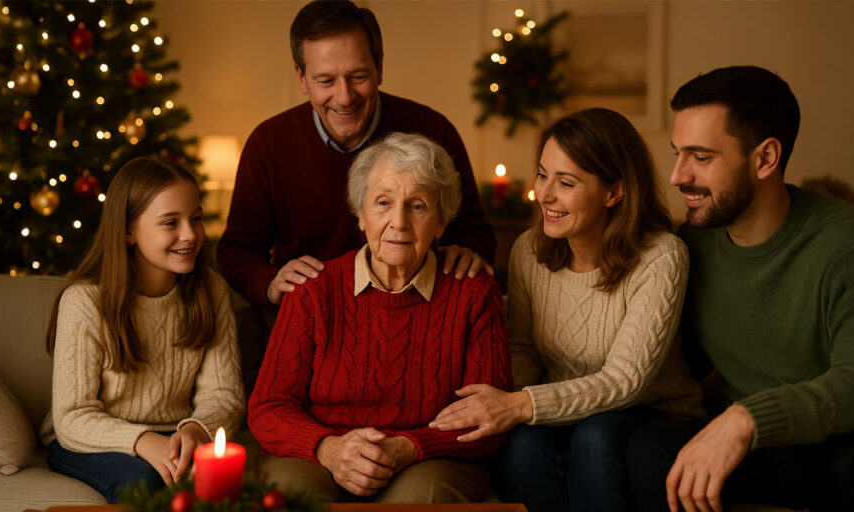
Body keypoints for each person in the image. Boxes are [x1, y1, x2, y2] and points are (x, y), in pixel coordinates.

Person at [627, 66, 854, 512]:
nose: (677, 176)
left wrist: (746, 419)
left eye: (700, 157)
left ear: (765, 158)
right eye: (677, 153)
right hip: (764, 452)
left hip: (843, 446)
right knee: (647, 445)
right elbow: (677, 361)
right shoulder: (693, 245)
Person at [428, 108, 705, 512]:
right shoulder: (529, 251)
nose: (544, 194)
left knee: (597, 436)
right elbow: (523, 350)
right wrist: (493, 398)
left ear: (614, 192)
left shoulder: (661, 257)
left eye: (566, 182)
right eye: (543, 175)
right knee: (522, 444)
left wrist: (520, 405)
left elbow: (625, 381)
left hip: (654, 416)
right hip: (561, 409)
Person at [247, 133, 512, 503]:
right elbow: (268, 408)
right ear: (361, 215)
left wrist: (409, 446)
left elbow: (489, 414)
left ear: (441, 222)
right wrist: (329, 448)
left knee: (422, 495)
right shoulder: (313, 291)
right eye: (383, 203)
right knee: (290, 492)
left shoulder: (474, 293)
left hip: (430, 458)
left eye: (417, 206)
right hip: (322, 454)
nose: (398, 222)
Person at [216, 0, 496, 311]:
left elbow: (476, 234)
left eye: (358, 76)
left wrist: (467, 254)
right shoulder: (268, 143)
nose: (345, 97)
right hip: (308, 314)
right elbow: (236, 250)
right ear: (301, 77)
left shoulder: (433, 132)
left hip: (416, 312)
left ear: (379, 67)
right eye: (326, 81)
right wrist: (269, 283)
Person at [40, 156, 245, 503]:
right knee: (143, 482)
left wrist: (196, 430)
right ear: (128, 231)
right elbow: (73, 418)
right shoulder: (84, 301)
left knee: (216, 480)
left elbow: (224, 394)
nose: (190, 234)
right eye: (170, 222)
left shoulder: (212, 290)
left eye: (196, 218)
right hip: (90, 440)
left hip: (175, 433)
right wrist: (143, 441)